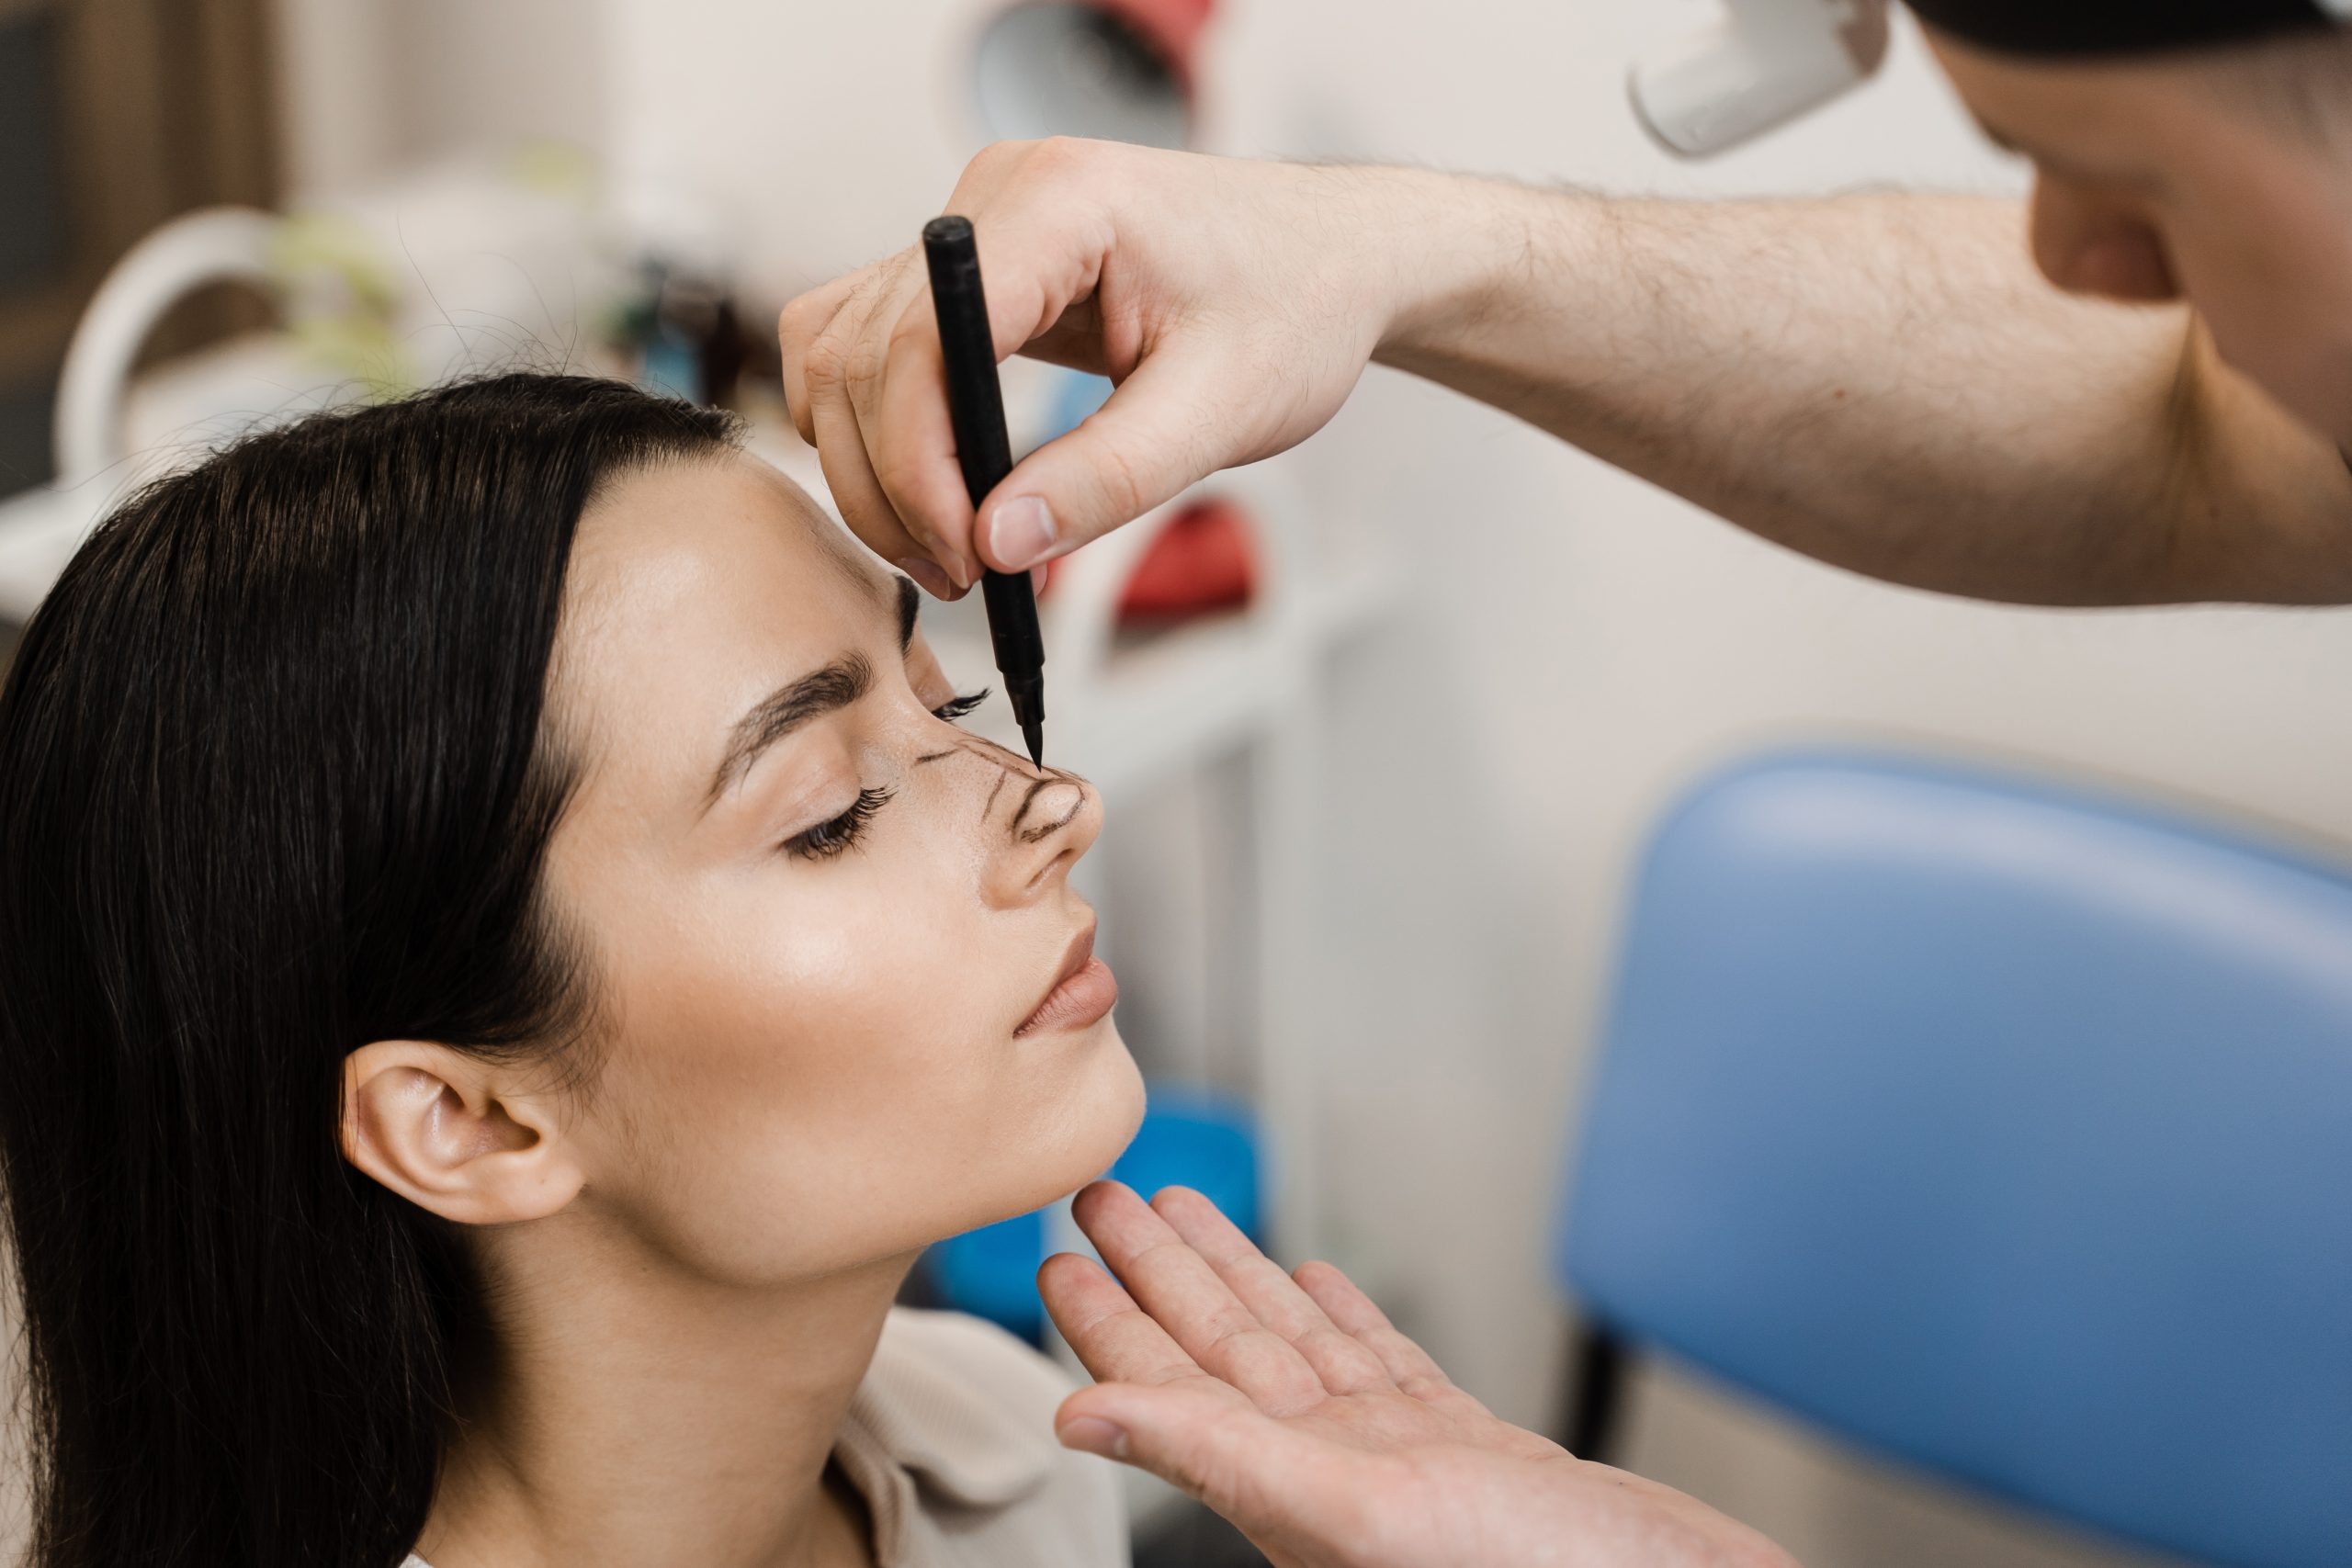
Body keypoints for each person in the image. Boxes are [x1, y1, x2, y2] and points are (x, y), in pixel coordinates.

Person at [775, 5, 2352, 1567]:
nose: (2073, 257)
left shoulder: (1007, 1485)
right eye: (827, 807)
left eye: (2128, 176)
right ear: (508, 1120)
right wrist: (1392, 246)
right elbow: (2188, 417)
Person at [0, 374, 1151, 1568]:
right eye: (833, 814)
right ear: (465, 1119)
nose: (1061, 805)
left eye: (940, 698)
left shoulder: (1010, 1459)